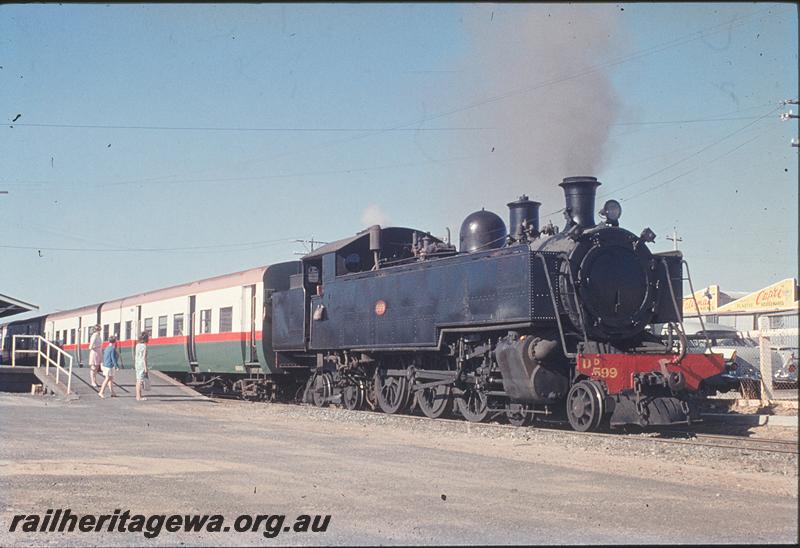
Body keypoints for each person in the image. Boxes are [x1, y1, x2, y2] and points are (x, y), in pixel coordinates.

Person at [134, 331, 149, 401]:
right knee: (140, 381)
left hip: (137, 364)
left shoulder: (137, 345)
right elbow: (144, 358)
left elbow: (136, 356)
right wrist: (146, 368)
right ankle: (138, 397)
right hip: (142, 364)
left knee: (138, 380)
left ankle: (139, 395)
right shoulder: (144, 346)